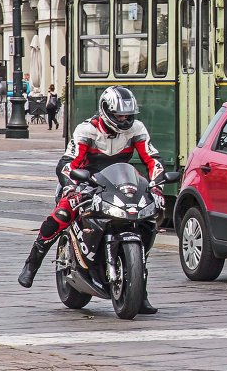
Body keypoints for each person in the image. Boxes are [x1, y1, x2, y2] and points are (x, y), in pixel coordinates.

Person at [18, 86, 165, 314]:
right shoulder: (86, 130)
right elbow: (67, 163)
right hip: (85, 183)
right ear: (106, 111)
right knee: (62, 215)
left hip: (119, 185)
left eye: (128, 114)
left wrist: (156, 187)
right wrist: (71, 187)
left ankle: (139, 290)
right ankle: (32, 264)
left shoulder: (137, 129)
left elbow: (153, 159)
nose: (124, 119)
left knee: (146, 221)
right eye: (119, 115)